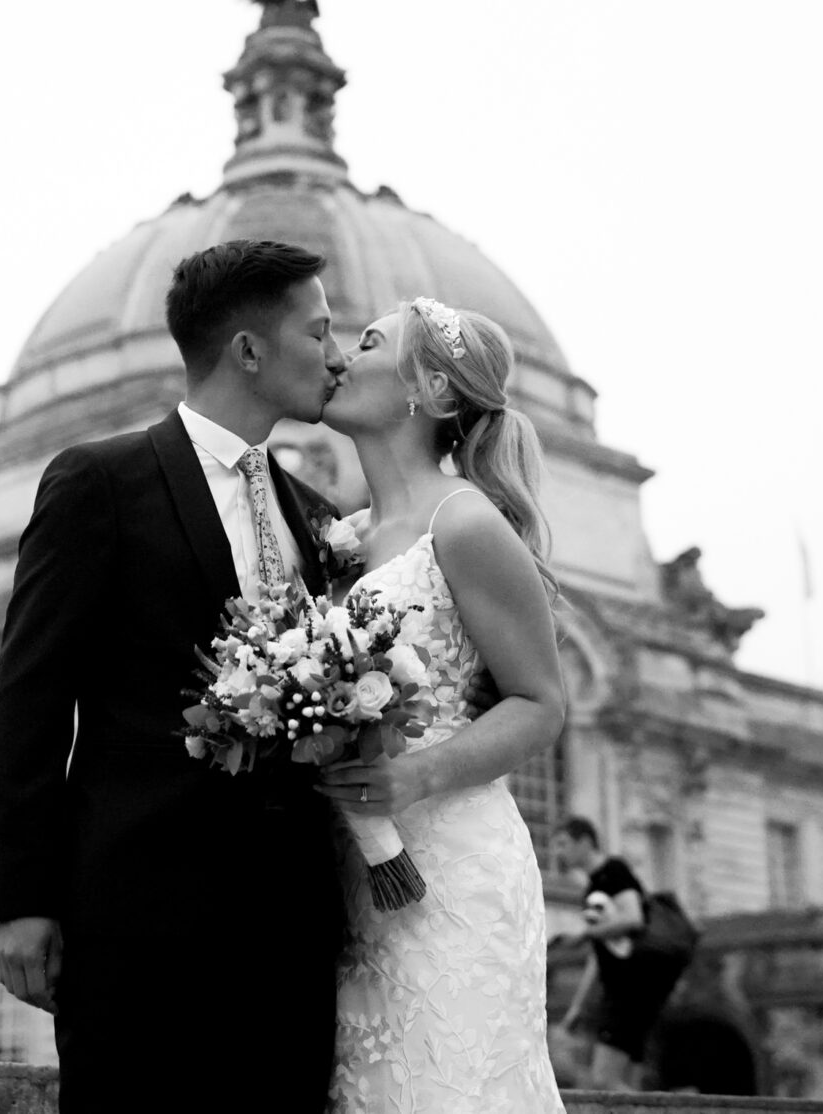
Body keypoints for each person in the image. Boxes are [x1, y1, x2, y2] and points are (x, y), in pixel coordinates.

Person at [0, 239, 352, 1112]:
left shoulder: (320, 519)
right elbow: (30, 697)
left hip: (292, 931)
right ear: (249, 350)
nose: (335, 356)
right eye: (320, 332)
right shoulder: (100, 482)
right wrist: (23, 898)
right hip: (137, 921)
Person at [315, 296, 568, 1112]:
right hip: (355, 873)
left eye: (368, 342)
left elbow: (540, 703)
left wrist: (416, 779)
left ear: (433, 391)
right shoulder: (342, 538)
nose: (339, 357)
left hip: (451, 869)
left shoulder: (465, 523)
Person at [549, 815, 657, 1089]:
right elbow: (600, 956)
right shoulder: (593, 887)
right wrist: (578, 1007)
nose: (558, 852)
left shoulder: (614, 871)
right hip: (618, 991)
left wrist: (584, 934)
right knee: (625, 1082)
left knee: (603, 1079)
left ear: (585, 842)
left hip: (631, 990)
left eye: (563, 844)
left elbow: (634, 917)